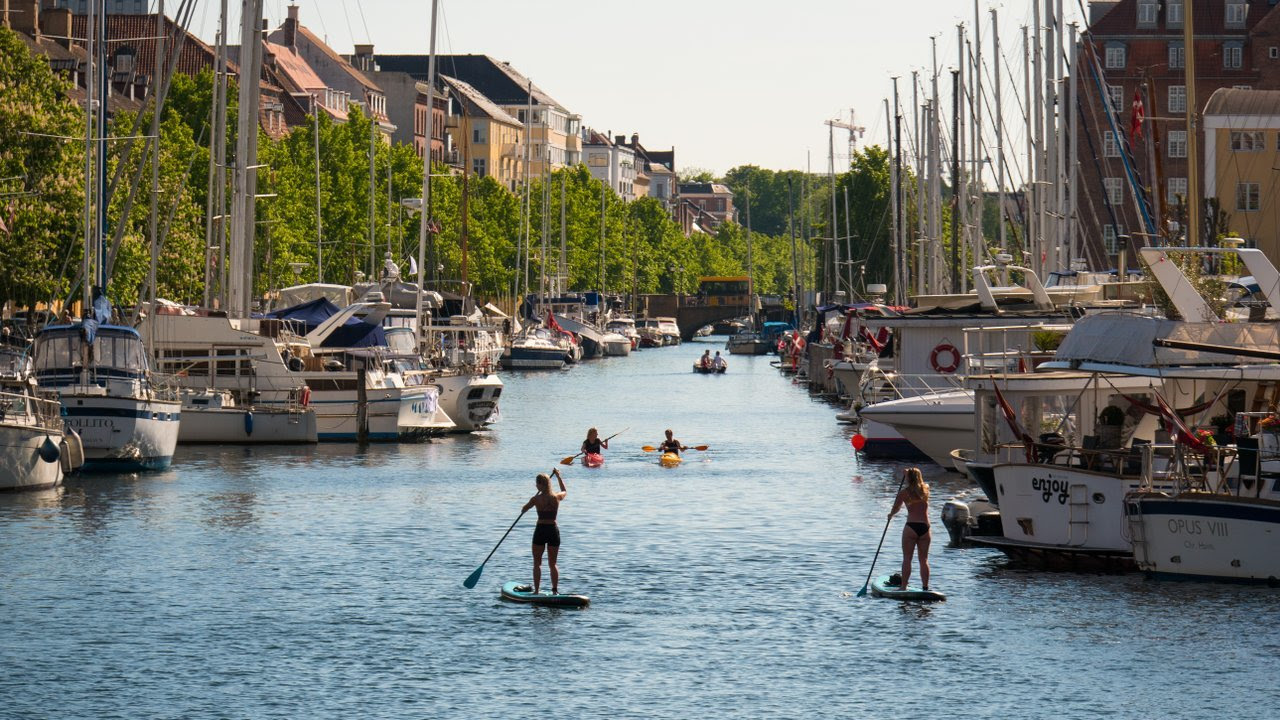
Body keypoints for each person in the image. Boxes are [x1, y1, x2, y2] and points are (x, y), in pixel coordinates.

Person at [522, 468, 567, 595]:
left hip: (541, 530)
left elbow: (524, 509)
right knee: (553, 564)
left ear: (540, 485)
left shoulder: (535, 500)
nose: (536, 486)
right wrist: (558, 477)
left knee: (537, 563)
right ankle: (555, 591)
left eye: (537, 484)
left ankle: (536, 591)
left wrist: (528, 505)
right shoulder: (556, 497)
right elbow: (564, 491)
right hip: (553, 530)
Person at [888, 467, 931, 591]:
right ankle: (925, 587)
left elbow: (896, 508)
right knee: (924, 559)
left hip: (911, 526)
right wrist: (911, 474)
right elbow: (920, 484)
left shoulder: (904, 493)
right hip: (925, 527)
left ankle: (903, 587)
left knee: (907, 558)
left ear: (908, 478)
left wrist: (891, 515)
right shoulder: (926, 489)